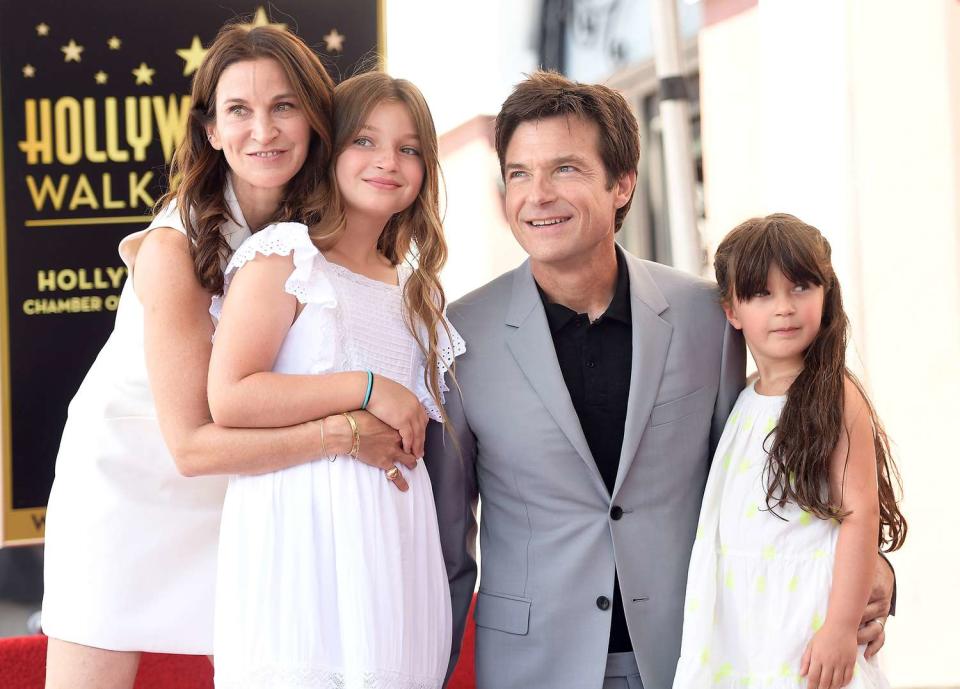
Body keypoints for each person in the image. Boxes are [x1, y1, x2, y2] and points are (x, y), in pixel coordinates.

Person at [424, 71, 894, 689]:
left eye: (564, 169)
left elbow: (765, 474)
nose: (536, 195)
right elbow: (443, 542)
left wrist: (871, 568)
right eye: (518, 173)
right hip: (532, 665)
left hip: (694, 654)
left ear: (623, 184)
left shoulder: (708, 316)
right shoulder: (458, 335)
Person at [41, 25, 410, 689]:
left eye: (284, 106)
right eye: (238, 110)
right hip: (128, 490)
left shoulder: (315, 233)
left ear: (316, 119)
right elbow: (190, 445)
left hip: (249, 489)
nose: (262, 130)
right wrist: (350, 424)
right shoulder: (172, 248)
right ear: (211, 130)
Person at [206, 71, 462, 689]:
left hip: (394, 557)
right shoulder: (286, 256)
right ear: (332, 148)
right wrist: (366, 386)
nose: (388, 162)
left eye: (409, 150)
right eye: (366, 142)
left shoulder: (414, 288)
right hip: (301, 552)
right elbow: (230, 396)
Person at [672, 214, 906, 689]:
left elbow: (860, 515)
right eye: (761, 294)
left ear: (826, 293)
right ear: (732, 311)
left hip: (806, 625)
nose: (784, 308)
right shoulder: (743, 400)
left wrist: (840, 629)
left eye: (800, 287)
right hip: (744, 630)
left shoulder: (834, 394)